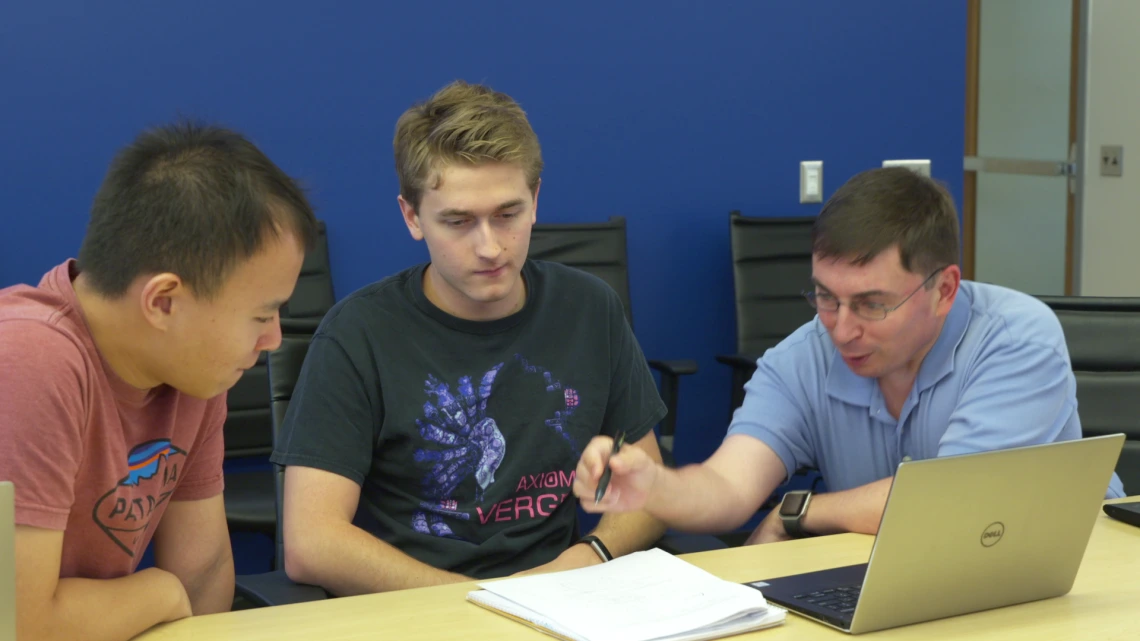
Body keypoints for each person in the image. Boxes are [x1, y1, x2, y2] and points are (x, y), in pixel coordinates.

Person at [572, 166, 1126, 545]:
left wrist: (801, 512)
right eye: (825, 296)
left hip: (1073, 571)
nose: (840, 328)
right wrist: (655, 485)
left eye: (871, 304)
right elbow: (728, 489)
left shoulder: (1017, 338)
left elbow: (951, 505)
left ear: (944, 290)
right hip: (898, 572)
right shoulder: (801, 357)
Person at [272, 80, 667, 596]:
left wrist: (588, 557)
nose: (490, 247)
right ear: (411, 217)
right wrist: (472, 602)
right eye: (458, 221)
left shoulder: (589, 308)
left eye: (508, 215)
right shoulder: (357, 335)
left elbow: (650, 487)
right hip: (416, 607)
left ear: (536, 200)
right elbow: (312, 542)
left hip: (563, 598)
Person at [0, 122, 318, 641]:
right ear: (163, 302)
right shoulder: (27, 360)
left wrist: (172, 594)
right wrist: (160, 592)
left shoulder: (193, 371)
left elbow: (204, 576)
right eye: (262, 316)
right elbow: (20, 626)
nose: (274, 341)